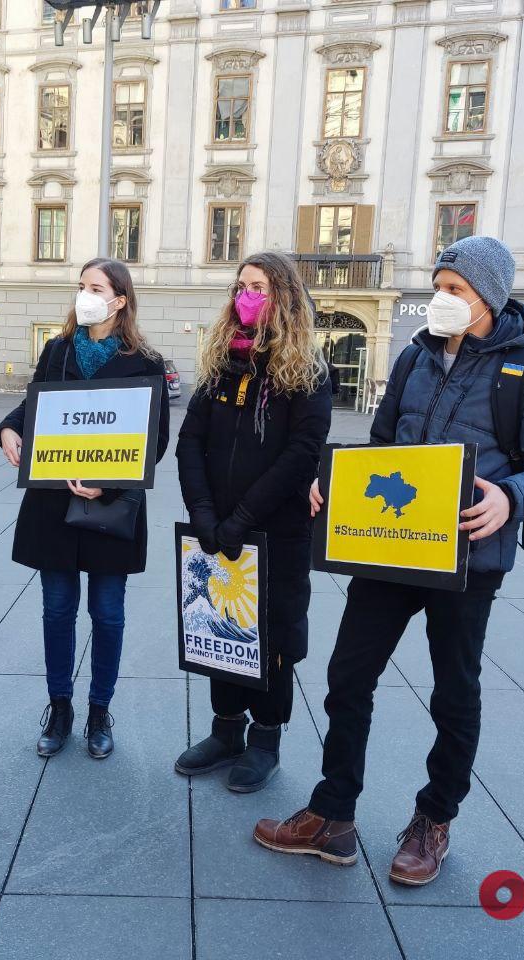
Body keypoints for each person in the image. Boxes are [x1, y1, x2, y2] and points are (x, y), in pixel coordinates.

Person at [254, 236, 524, 885]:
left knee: (454, 693)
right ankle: (333, 813)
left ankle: (433, 819)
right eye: (438, 286)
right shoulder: (413, 360)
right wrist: (336, 479)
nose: (442, 299)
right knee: (348, 677)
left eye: (455, 289)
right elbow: (384, 447)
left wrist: (514, 498)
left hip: (467, 560)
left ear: (488, 298)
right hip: (388, 548)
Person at [0, 258, 169, 760]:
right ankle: (60, 706)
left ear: (120, 300)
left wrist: (106, 482)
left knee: (108, 614)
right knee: (56, 610)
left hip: (109, 510)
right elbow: (29, 409)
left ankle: (99, 710)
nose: (84, 294)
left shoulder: (146, 361)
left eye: (95, 287)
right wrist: (8, 429)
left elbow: (154, 442)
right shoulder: (56, 352)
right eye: (81, 286)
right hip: (52, 507)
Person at [173, 251, 332, 793]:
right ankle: (225, 732)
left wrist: (242, 518)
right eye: (242, 285)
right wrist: (206, 517)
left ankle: (265, 739)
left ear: (283, 296)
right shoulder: (222, 363)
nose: (247, 295)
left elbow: (301, 453)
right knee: (219, 628)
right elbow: (189, 440)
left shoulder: (306, 370)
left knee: (275, 635)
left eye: (259, 286)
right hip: (216, 529)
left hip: (276, 532)